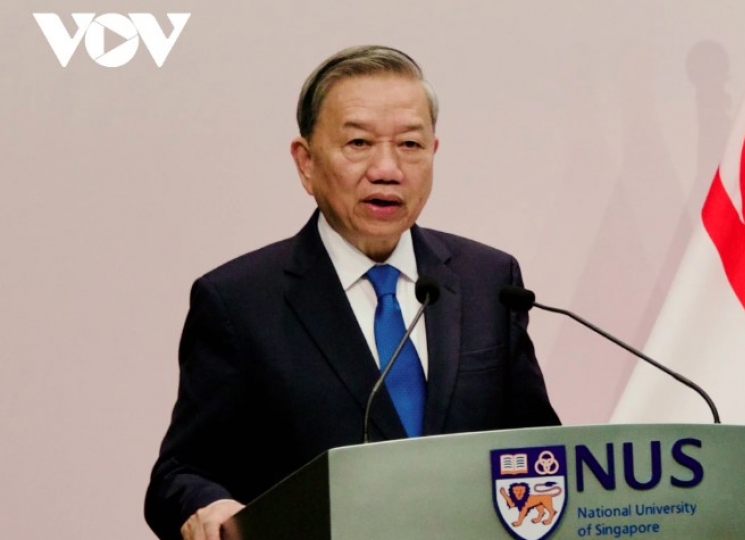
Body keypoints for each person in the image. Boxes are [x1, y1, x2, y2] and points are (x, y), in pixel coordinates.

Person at [144, 45, 560, 540]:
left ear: (433, 153)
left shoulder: (489, 280)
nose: (388, 169)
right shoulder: (239, 301)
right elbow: (178, 476)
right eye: (359, 143)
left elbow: (543, 454)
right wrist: (209, 505)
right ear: (306, 162)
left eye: (410, 144)